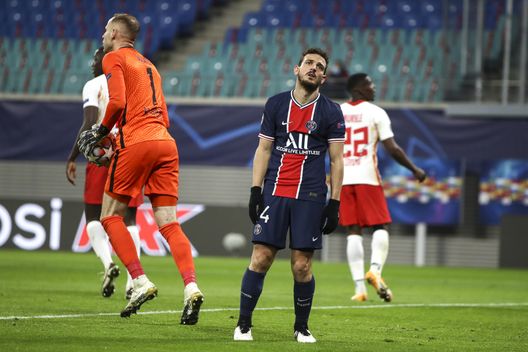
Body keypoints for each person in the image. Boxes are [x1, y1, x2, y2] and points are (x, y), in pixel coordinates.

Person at [77, 13, 204, 323]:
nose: (103, 35)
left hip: (137, 141)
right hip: (166, 141)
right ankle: (191, 288)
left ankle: (140, 281)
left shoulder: (113, 58)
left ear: (117, 32)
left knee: (109, 215)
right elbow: (162, 113)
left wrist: (101, 130)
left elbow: (117, 102)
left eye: (106, 30)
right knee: (168, 223)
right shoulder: (149, 65)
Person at [234, 48, 345, 343]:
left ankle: (301, 327)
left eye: (319, 66)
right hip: (275, 191)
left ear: (323, 77)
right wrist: (255, 190)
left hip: (310, 196)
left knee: (301, 265)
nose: (313, 68)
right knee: (261, 257)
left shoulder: (332, 112)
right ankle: (243, 324)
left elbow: (336, 160)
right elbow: (264, 150)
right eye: (309, 63)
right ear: (296, 69)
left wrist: (334, 202)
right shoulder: (276, 104)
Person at [339, 73, 427, 303]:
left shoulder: (338, 112)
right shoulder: (376, 112)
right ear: (358, 88)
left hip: (343, 178)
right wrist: (414, 169)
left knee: (353, 230)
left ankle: (360, 289)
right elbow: (393, 148)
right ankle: (375, 270)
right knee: (381, 225)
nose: (373, 87)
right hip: (367, 177)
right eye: (369, 83)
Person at [66, 47, 143, 300]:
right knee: (129, 218)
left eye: (99, 55)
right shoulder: (134, 82)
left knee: (93, 216)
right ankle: (134, 280)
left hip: (101, 155)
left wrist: (73, 156)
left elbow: (89, 124)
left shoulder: (94, 85)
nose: (95, 60)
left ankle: (108, 263)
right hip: (130, 152)